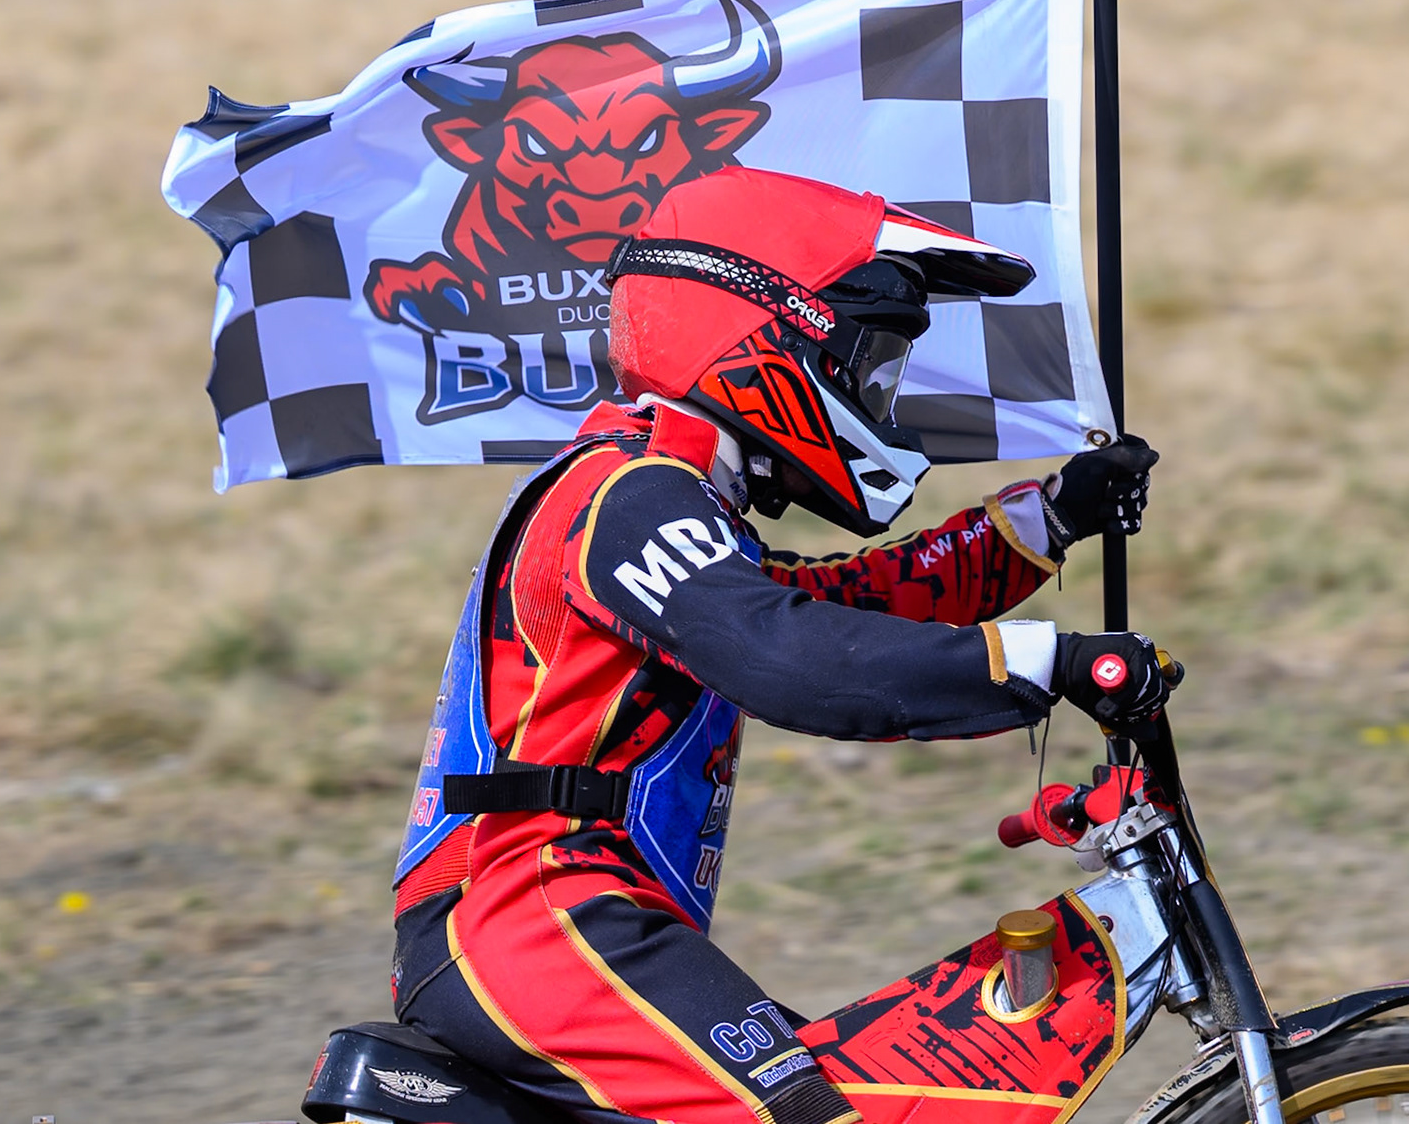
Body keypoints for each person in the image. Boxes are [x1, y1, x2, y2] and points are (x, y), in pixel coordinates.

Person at [387, 167, 1166, 1124]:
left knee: (886, 1096)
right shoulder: (624, 496)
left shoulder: (675, 504)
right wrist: (1044, 659)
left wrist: (1050, 519)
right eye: (868, 361)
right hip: (525, 917)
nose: (880, 393)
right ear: (762, 341)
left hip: (581, 922)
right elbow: (794, 659)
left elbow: (849, 602)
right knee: (817, 1115)